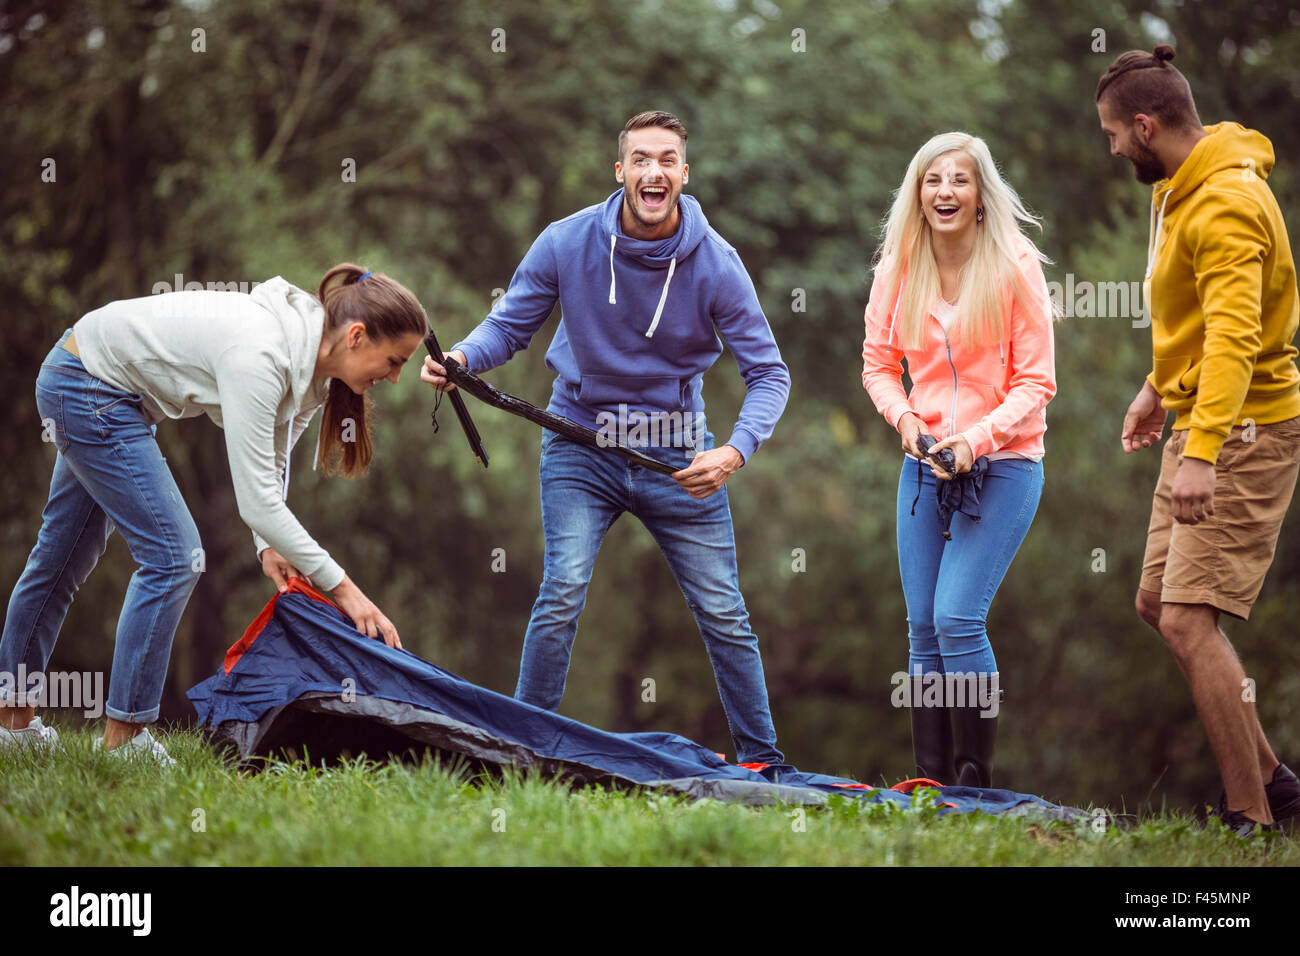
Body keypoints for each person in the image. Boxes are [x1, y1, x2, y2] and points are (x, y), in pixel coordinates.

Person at [422, 111, 790, 766]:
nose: (655, 171)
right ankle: (521, 754)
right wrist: (461, 360)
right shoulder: (566, 243)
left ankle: (764, 764)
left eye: (668, 160)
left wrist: (733, 451)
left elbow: (768, 373)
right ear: (620, 171)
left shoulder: (718, 265)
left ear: (684, 173)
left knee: (725, 613)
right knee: (562, 588)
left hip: (677, 453)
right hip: (579, 444)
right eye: (641, 159)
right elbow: (507, 329)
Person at [0, 263, 427, 763]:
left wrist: (267, 544)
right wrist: (345, 590)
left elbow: (273, 459)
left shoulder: (311, 367)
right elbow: (257, 501)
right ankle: (125, 739)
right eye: (394, 361)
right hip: (87, 387)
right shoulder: (261, 356)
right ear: (356, 336)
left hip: (100, 385)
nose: (395, 378)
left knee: (60, 558)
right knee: (175, 556)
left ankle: (12, 723)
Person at [1098, 45, 1300, 836]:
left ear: (1146, 126)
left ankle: (1248, 817)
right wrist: (1159, 386)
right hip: (1202, 415)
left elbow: (1238, 340)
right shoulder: (1179, 189)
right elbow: (1198, 318)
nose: (1112, 147)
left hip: (1246, 432)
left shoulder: (1225, 204)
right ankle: (1278, 782)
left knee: (1189, 619)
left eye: (1115, 133)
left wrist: (1207, 450)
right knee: (1157, 603)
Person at [861, 132, 1057, 787]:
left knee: (956, 617)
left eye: (959, 180)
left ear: (980, 196)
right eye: (932, 180)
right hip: (923, 465)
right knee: (921, 627)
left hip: (1004, 465)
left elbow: (1037, 382)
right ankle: (931, 784)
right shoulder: (898, 268)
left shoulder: (1015, 265)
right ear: (917, 194)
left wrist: (976, 439)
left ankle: (974, 781)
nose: (944, 191)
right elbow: (879, 366)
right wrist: (907, 420)